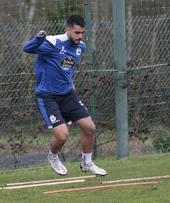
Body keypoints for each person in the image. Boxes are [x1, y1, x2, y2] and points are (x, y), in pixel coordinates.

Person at [22, 15, 107, 176]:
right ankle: (53, 157)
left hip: (68, 94)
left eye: (82, 32)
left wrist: (70, 84)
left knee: (90, 128)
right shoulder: (52, 42)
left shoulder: (81, 47)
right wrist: (38, 39)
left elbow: (68, 67)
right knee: (62, 136)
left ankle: (87, 163)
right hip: (48, 96)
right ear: (67, 29)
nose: (80, 36)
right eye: (76, 32)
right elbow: (27, 49)